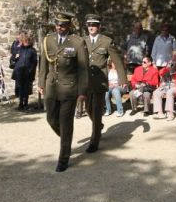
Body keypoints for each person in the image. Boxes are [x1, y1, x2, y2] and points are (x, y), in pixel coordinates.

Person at [38, 11, 89, 172]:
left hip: (69, 89)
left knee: (66, 123)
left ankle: (63, 158)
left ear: (69, 25)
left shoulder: (77, 42)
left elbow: (83, 69)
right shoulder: (48, 40)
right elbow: (43, 65)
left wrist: (82, 91)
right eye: (58, 24)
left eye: (64, 25)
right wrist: (40, 83)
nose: (60, 27)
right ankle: (66, 139)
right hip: (51, 87)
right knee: (51, 119)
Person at [84, 14, 127, 152]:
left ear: (99, 27)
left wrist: (123, 80)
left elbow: (117, 61)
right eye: (90, 25)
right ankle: (99, 126)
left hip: (99, 82)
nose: (92, 27)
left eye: (94, 25)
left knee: (96, 110)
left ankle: (94, 142)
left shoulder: (107, 41)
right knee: (88, 109)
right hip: (85, 82)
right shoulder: (82, 41)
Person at [153, 50, 176, 120]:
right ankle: (160, 113)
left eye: (175, 56)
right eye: (173, 56)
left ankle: (170, 113)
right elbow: (160, 73)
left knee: (170, 92)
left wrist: (175, 75)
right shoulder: (170, 64)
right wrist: (167, 68)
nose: (173, 58)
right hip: (166, 85)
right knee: (156, 92)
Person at [12, 33, 37, 111]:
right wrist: (15, 57)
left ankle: (25, 104)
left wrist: (31, 71)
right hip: (19, 71)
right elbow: (13, 58)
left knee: (26, 89)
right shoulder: (19, 49)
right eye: (24, 40)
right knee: (20, 88)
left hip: (27, 72)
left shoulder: (32, 50)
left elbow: (34, 62)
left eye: (27, 40)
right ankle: (20, 104)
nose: (26, 42)